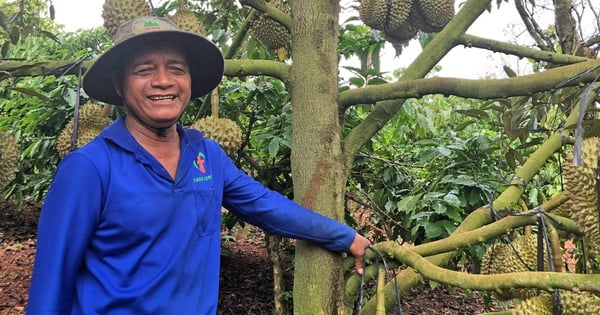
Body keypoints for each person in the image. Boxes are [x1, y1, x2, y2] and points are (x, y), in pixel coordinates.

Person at [26, 15, 371, 314]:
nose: (163, 80)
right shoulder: (88, 168)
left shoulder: (206, 155)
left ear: (189, 81)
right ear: (119, 84)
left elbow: (266, 207)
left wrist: (345, 237)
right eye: (144, 70)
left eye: (176, 68)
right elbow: (50, 286)